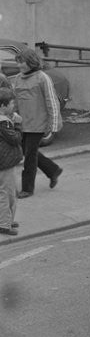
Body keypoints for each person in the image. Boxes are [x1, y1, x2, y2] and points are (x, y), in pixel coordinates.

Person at [11, 49, 63, 198]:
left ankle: (27, 188)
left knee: (29, 157)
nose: (19, 65)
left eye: (21, 62)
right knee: (28, 152)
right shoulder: (17, 79)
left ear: (31, 62)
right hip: (22, 124)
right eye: (18, 62)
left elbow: (52, 101)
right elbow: (14, 101)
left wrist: (53, 126)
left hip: (37, 125)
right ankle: (53, 170)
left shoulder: (42, 78)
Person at [0, 88, 22, 236]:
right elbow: (15, 139)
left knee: (11, 192)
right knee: (7, 194)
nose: (14, 106)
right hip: (5, 162)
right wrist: (18, 124)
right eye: (12, 104)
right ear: (3, 106)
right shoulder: (4, 123)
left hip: (5, 161)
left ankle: (7, 219)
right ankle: (4, 224)